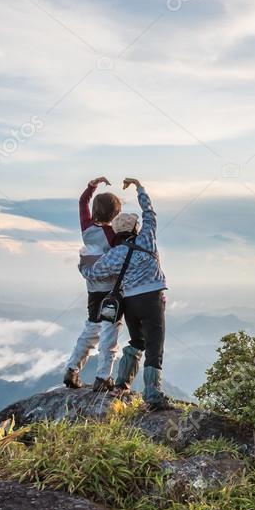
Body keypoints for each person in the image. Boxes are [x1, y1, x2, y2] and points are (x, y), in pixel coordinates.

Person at [80, 178, 174, 411]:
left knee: (137, 341)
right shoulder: (147, 239)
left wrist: (82, 264)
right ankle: (152, 395)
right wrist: (139, 187)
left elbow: (92, 272)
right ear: (135, 228)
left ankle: (121, 385)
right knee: (155, 346)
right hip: (152, 300)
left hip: (130, 303)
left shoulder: (115, 254)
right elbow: (150, 213)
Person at [64, 176, 123, 391]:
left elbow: (82, 203)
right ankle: (103, 376)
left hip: (93, 291)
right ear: (116, 214)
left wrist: (92, 186)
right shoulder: (114, 235)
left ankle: (72, 369)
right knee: (110, 331)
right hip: (112, 293)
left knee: (91, 327)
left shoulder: (86, 229)